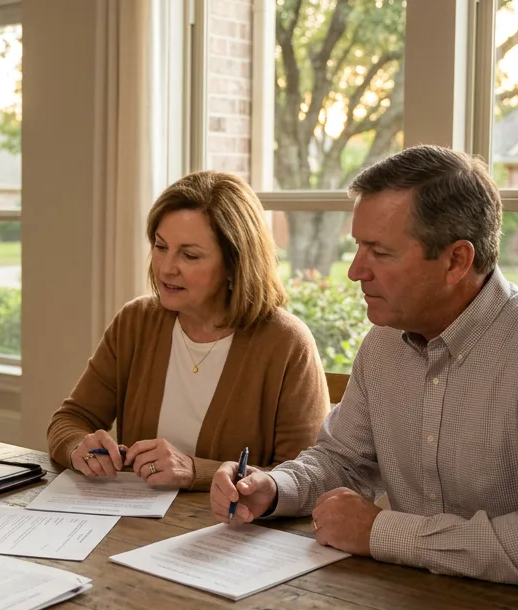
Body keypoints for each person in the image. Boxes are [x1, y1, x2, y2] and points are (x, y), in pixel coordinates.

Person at [211, 144, 518, 593]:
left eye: (379, 252)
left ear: (456, 261)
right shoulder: (384, 342)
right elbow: (343, 461)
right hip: (429, 604)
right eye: (357, 247)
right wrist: (273, 487)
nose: (355, 271)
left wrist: (382, 533)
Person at [47, 171, 330, 491]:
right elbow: (69, 420)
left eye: (189, 255)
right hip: (136, 526)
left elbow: (305, 478)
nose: (167, 268)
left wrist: (196, 471)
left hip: (235, 533)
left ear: (235, 263)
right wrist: (77, 447)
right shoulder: (135, 322)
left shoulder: (286, 343)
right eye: (160, 246)